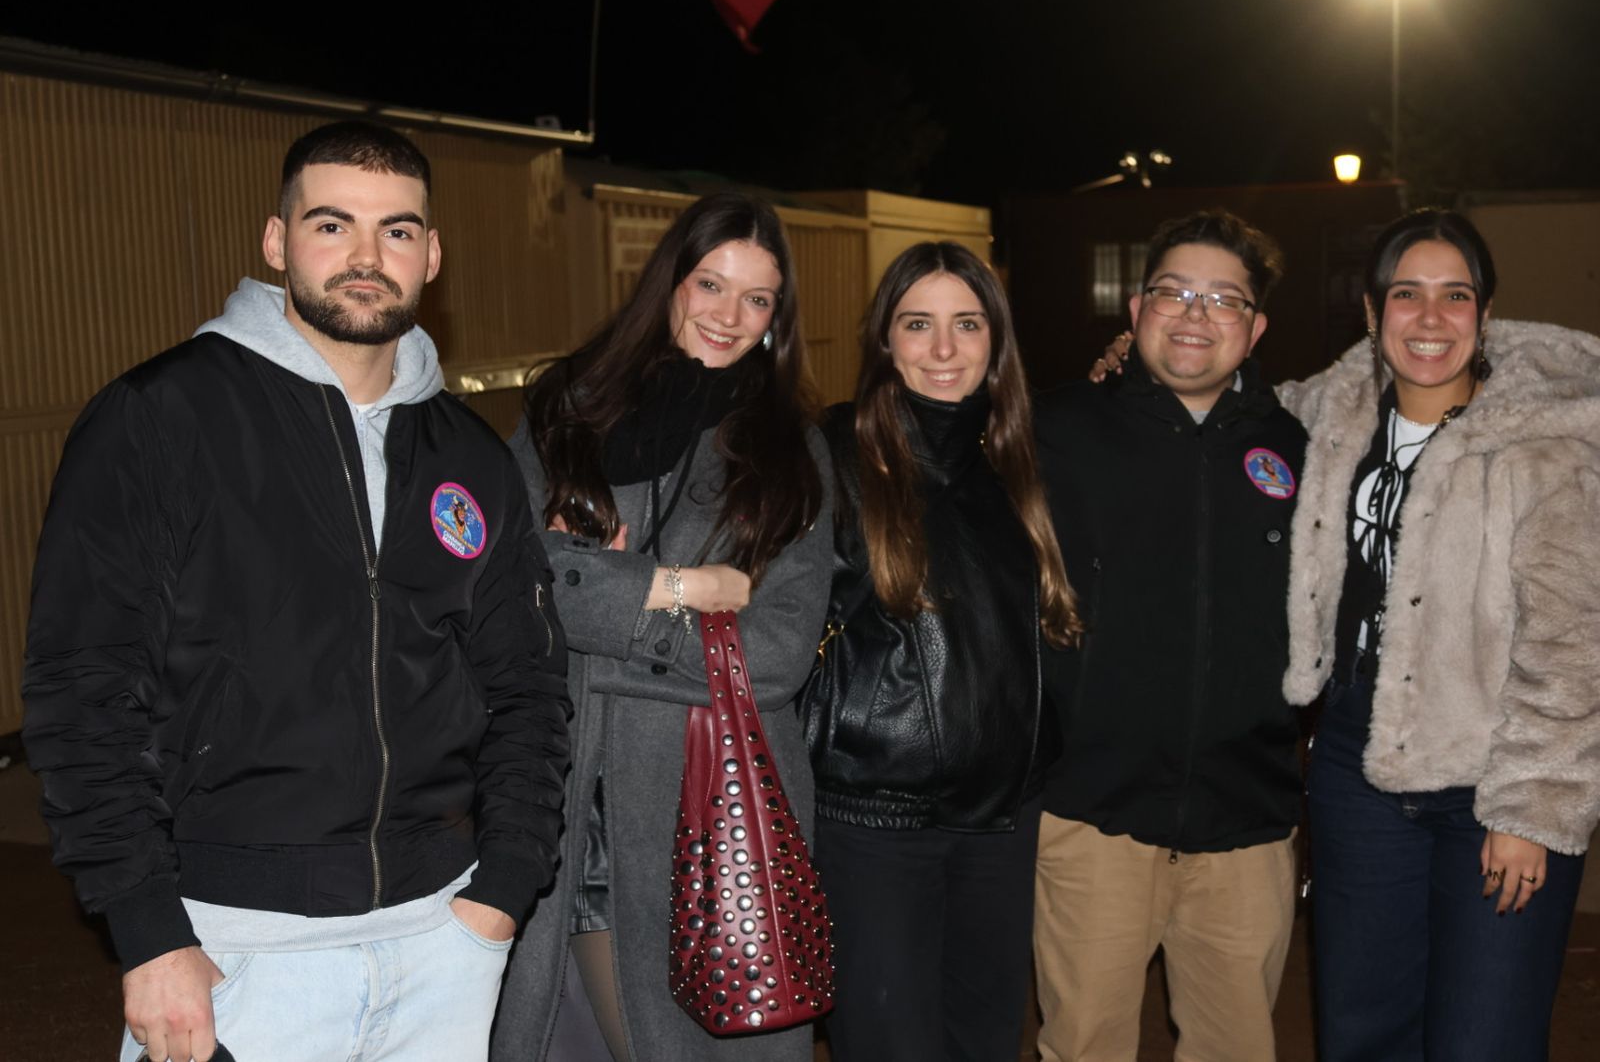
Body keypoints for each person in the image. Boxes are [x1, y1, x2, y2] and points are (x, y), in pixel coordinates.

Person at [21, 121, 571, 1062]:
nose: (366, 256)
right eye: (332, 225)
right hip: (234, 949)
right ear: (277, 243)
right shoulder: (161, 418)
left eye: (397, 230)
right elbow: (82, 693)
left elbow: (526, 688)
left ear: (432, 254)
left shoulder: (470, 454)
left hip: (442, 940)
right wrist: (150, 932)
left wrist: (501, 893)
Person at [492, 192, 832, 1062]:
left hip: (719, 807)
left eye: (757, 299)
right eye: (711, 284)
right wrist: (682, 585)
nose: (730, 316)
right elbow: (511, 582)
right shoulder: (565, 408)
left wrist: (603, 607)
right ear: (670, 283)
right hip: (576, 807)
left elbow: (782, 652)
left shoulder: (792, 448)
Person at [1277, 209, 1600, 1060]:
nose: (1430, 318)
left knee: (1483, 1039)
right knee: (1362, 1030)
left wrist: (1532, 807)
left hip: (1493, 777)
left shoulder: (1546, 446)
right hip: (1355, 768)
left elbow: (1572, 645)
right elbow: (1216, 404)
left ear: (1485, 315)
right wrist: (1124, 367)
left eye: (1455, 295)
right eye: (1407, 294)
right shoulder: (1330, 420)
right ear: (1371, 310)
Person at [1033, 210, 1306, 1062]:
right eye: (1173, 292)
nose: (1195, 314)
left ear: (1255, 328)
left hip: (1248, 821)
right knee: (1083, 1047)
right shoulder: (1056, 430)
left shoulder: (1299, 445)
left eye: (1223, 299)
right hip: (1092, 815)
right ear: (1135, 308)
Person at [801, 241, 1080, 1061]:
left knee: (985, 1040)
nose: (945, 350)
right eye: (918, 325)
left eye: (967, 324)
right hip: (871, 821)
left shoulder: (1024, 456)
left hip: (1003, 817)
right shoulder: (830, 453)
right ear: (885, 340)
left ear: (997, 339)